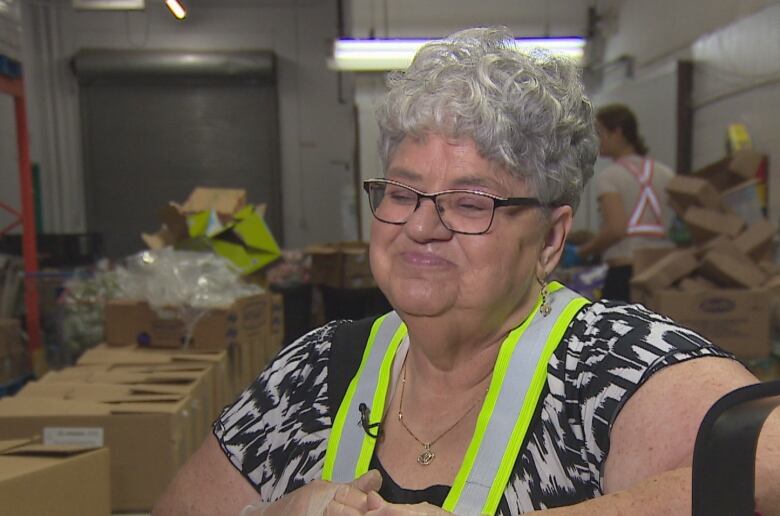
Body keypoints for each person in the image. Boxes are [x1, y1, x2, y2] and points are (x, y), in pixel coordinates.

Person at [152, 28, 779, 515]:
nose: (422, 226)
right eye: (402, 192)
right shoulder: (316, 371)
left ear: (552, 238)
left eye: (470, 203)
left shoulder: (608, 368)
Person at [575, 104, 675, 302]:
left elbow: (616, 229)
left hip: (625, 271)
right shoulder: (666, 173)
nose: (596, 140)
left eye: (600, 132)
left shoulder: (611, 177)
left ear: (618, 132)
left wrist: (581, 252)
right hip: (664, 270)